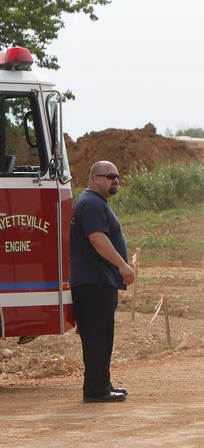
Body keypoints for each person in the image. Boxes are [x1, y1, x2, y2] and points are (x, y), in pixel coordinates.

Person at [70, 161, 135, 403]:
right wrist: (122, 265)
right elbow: (97, 239)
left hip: (97, 281)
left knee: (101, 335)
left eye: (117, 176)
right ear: (95, 178)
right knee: (97, 335)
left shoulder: (94, 203)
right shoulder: (90, 203)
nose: (115, 180)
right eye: (110, 176)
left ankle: (101, 383)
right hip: (94, 282)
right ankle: (96, 389)